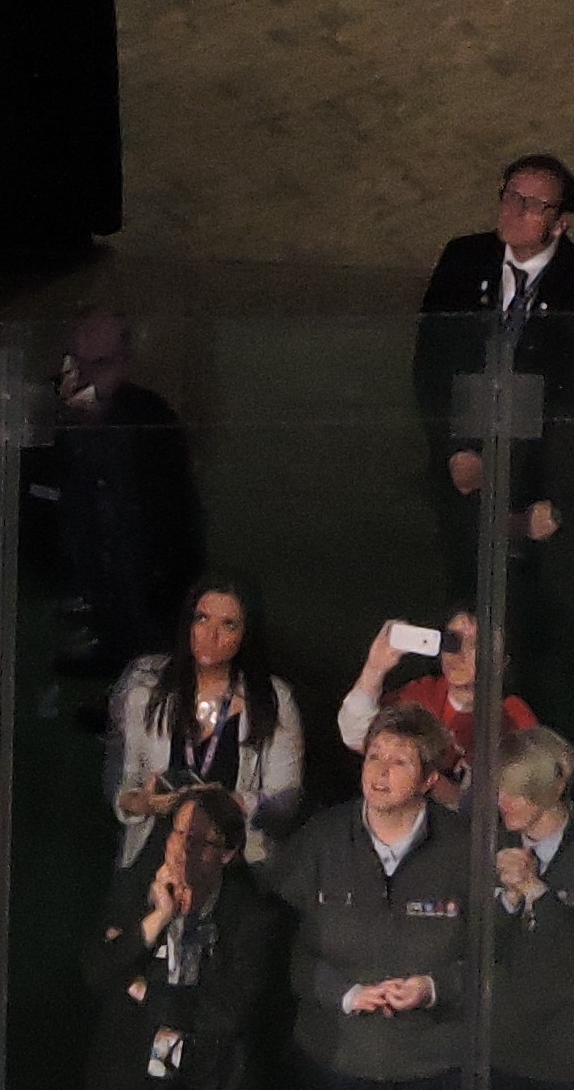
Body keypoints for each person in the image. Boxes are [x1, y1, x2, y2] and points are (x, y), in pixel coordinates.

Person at [274, 699, 471, 1090]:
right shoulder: (323, 839)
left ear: (430, 779)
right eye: (374, 756)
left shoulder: (465, 849)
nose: (379, 772)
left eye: (399, 762)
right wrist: (345, 993)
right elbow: (286, 948)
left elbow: (494, 960)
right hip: (340, 1062)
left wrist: (434, 988)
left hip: (435, 1065)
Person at [77, 786, 282, 1090]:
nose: (180, 849)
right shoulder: (134, 891)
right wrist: (157, 919)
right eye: (177, 833)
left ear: (228, 853)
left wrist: (146, 993)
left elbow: (225, 1012)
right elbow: (96, 971)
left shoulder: (253, 918)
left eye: (198, 841)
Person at [408, 150, 568, 587]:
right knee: (461, 596)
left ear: (559, 223)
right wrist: (455, 447)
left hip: (539, 484)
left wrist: (559, 498)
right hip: (461, 477)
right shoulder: (464, 259)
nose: (515, 210)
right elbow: (432, 363)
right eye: (510, 196)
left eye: (533, 204)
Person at [38, 313, 201, 681]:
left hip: (141, 608)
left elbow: (177, 521)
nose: (85, 377)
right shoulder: (40, 417)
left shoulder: (151, 420)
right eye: (75, 363)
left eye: (100, 364)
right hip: (59, 604)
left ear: (124, 364)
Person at [105, 575, 303, 864]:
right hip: (157, 849)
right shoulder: (145, 687)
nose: (211, 635)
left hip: (233, 858)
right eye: (202, 619)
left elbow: (285, 800)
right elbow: (123, 786)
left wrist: (231, 802)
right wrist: (146, 803)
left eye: (228, 625)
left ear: (246, 634)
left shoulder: (273, 698)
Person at [488, 729, 574, 1090]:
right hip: (508, 1056)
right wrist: (507, 900)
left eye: (516, 791)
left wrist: (540, 895)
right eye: (500, 789)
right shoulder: (489, 848)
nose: (504, 802)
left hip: (567, 1063)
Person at [331, 602, 534, 789]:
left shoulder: (513, 716)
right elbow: (356, 735)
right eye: (452, 641)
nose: (458, 653)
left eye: (476, 645)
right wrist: (375, 667)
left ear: (502, 661)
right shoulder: (423, 694)